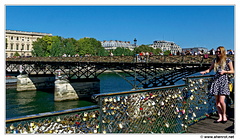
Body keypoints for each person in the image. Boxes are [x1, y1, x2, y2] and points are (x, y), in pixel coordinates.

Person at [200, 46, 234, 123]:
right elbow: (210, 69)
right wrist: (205, 72)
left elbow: (233, 71)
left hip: (224, 81)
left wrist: (225, 71)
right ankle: (220, 116)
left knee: (222, 101)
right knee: (217, 101)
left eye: (219, 52)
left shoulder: (228, 60)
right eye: (216, 52)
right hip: (216, 81)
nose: (217, 53)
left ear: (223, 52)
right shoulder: (215, 60)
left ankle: (224, 114)